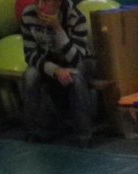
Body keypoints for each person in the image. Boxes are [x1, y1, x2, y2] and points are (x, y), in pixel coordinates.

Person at [20, 0, 96, 146]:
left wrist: (57, 28)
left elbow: (76, 60)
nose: (40, 6)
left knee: (76, 77)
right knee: (30, 75)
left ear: (58, 3)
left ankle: (84, 135)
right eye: (37, 1)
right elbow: (30, 54)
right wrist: (54, 70)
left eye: (45, 2)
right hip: (48, 62)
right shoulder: (28, 15)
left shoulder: (76, 18)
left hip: (78, 60)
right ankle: (32, 131)